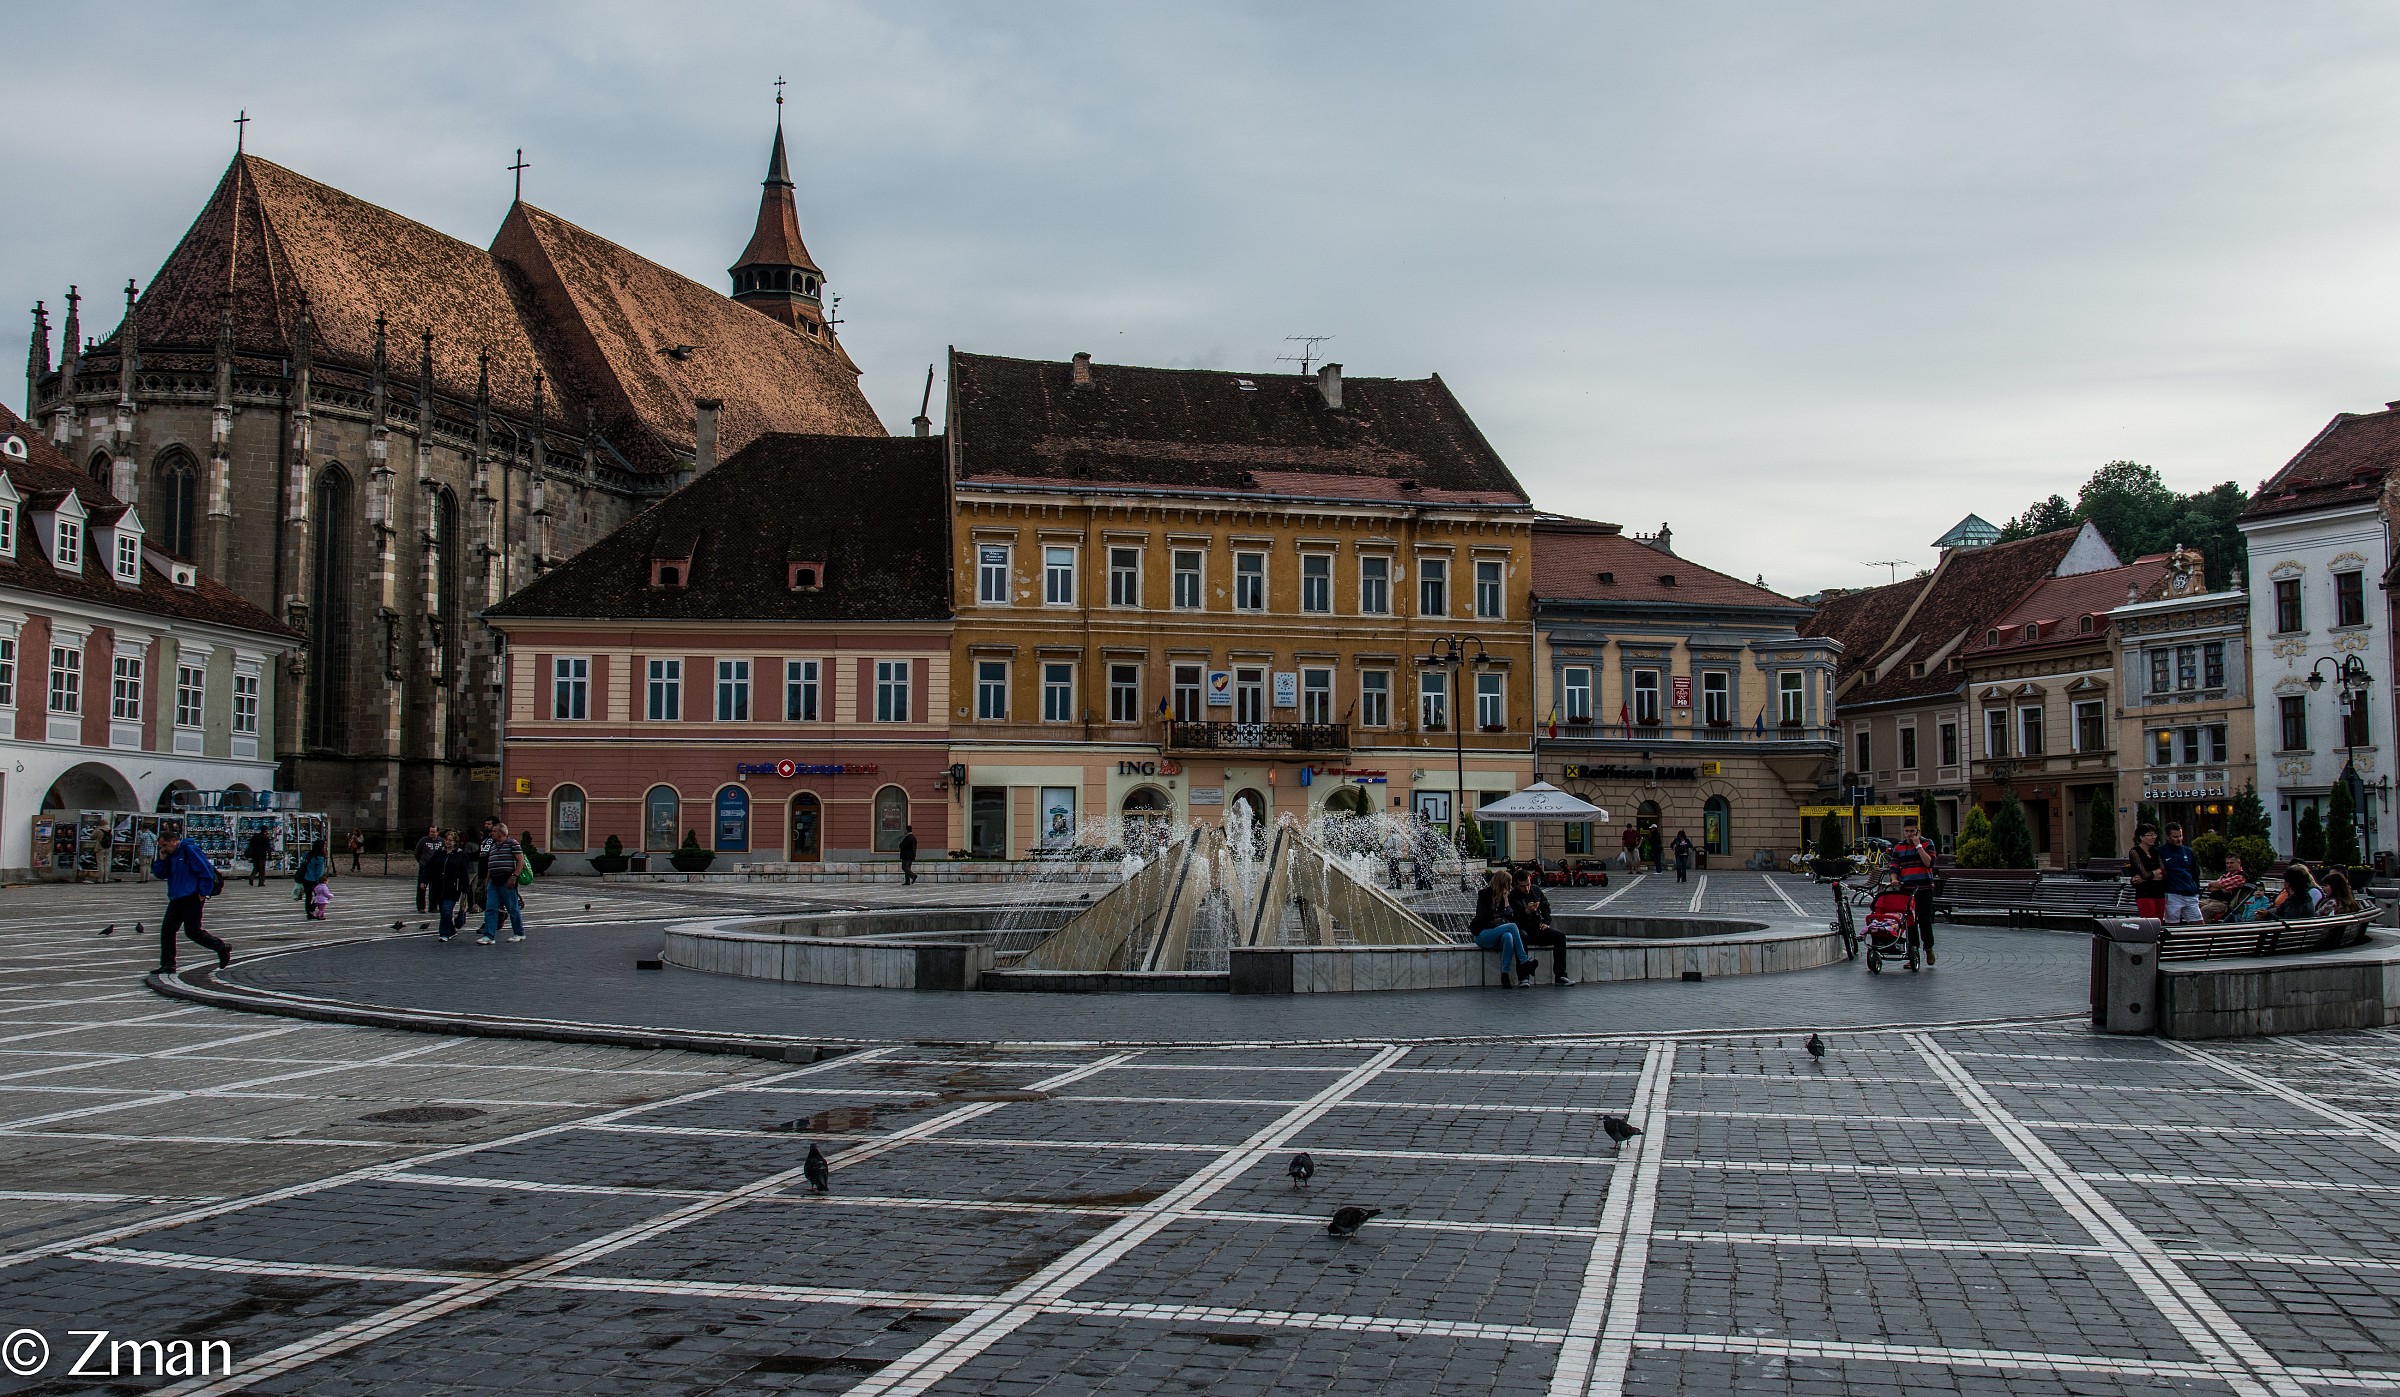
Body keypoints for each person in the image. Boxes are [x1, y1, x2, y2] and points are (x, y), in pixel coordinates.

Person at [151, 821, 231, 973]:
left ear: (174, 841)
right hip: (176, 897)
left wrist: (203, 893)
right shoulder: (170, 855)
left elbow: (205, 871)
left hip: (192, 897)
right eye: (161, 846)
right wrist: (161, 859)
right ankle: (168, 964)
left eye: (165, 845)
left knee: (193, 931)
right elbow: (161, 874)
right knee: (167, 929)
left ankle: (220, 947)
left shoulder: (189, 850)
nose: (163, 849)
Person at [1468, 868, 1537, 988]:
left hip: (1497, 934)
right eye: (1508, 884)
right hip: (1482, 934)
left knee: (1508, 937)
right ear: (1502, 884)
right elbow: (1485, 918)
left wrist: (1506, 902)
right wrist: (1500, 919)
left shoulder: (1502, 898)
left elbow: (1509, 916)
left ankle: (1505, 975)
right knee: (1512, 927)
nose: (1510, 887)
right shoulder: (1484, 894)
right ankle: (1524, 961)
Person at [1887, 817, 1939, 966]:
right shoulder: (1899, 847)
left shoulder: (1927, 843)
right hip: (1907, 890)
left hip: (1924, 888)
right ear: (1903, 831)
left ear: (1917, 831)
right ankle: (1912, 954)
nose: (1909, 834)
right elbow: (1894, 866)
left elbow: (1929, 863)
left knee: (1924, 919)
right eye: (1907, 831)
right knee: (1910, 922)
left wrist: (1918, 847)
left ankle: (1928, 948)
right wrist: (1894, 878)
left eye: (1912, 831)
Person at [1511, 880, 1575, 985]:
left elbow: (1546, 908)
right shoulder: (1512, 896)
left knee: (1560, 936)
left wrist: (1546, 922)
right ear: (1516, 885)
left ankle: (1561, 975)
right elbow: (1512, 920)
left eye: (1528, 885)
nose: (1526, 888)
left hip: (1536, 927)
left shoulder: (1535, 890)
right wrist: (1526, 912)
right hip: (1522, 928)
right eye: (1523, 886)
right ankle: (1523, 977)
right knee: (1521, 937)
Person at [479, 819, 528, 944]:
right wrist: (487, 879)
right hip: (494, 881)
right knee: (490, 908)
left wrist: (514, 876)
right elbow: (491, 863)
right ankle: (489, 935)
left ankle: (519, 933)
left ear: (502, 832)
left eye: (495, 831)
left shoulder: (512, 843)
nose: (492, 833)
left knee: (512, 908)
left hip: (506, 880)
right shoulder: (494, 845)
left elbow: (520, 860)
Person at [430, 830, 477, 940]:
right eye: (446, 840)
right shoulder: (439, 853)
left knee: (447, 909)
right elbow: (431, 867)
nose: (448, 842)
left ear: (456, 842)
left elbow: (464, 872)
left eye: (450, 840)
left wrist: (465, 888)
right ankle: (451, 930)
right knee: (443, 911)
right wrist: (425, 880)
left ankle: (444, 933)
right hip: (440, 886)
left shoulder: (460, 855)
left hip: (453, 887)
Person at [2159, 823, 2202, 925]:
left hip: (2190, 893)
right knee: (2172, 925)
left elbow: (2195, 872)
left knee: (2199, 924)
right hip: (2173, 894)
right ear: (2168, 837)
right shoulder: (2161, 852)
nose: (2179, 839)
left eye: (2180, 836)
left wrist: (2196, 889)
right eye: (2175, 837)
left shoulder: (2188, 851)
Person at [2126, 823, 2166, 921]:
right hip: (2145, 893)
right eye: (2150, 835)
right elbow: (2144, 874)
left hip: (2159, 892)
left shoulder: (2156, 852)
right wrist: (2155, 874)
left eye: (2154, 835)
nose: (2153, 837)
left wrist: (2148, 876)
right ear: (2142, 837)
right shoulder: (2135, 852)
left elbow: (2163, 871)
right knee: (2149, 923)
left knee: (2159, 922)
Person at [2200, 853, 2250, 922]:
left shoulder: (2241, 876)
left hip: (2223, 904)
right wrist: (2220, 887)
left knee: (2205, 910)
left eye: (2231, 863)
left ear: (2238, 863)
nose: (2229, 865)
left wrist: (2212, 883)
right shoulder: (2226, 875)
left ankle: (2205, 930)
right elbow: (2211, 888)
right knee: (2193, 906)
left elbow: (2220, 884)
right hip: (2210, 900)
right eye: (2227, 863)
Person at [297, 840, 331, 921]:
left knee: (308, 896)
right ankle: (313, 910)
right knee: (319, 896)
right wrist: (320, 881)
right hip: (314, 880)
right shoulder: (320, 857)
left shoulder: (308, 854)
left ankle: (309, 912)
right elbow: (319, 871)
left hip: (306, 878)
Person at [413, 824, 443, 912]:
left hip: (436, 868)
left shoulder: (441, 841)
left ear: (438, 832)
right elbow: (417, 852)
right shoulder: (423, 840)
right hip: (425, 866)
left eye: (433, 832)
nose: (431, 833)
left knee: (435, 888)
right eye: (430, 832)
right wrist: (421, 861)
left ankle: (433, 907)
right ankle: (421, 907)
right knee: (422, 887)